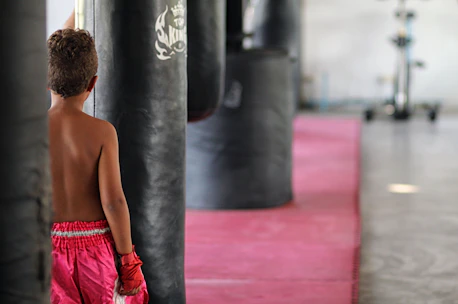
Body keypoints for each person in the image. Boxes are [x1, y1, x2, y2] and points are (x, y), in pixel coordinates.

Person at [47, 24, 149, 304]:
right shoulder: (103, 132)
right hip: (95, 250)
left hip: (44, 249)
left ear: (46, 81)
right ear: (93, 83)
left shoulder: (29, 131)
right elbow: (114, 201)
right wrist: (128, 260)